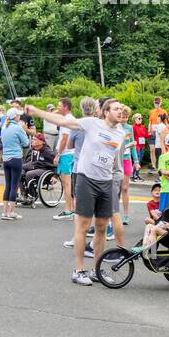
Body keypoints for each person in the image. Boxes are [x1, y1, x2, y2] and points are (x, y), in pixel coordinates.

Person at [25, 97, 127, 286]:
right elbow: (62, 121)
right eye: (116, 109)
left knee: (102, 227)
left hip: (106, 182)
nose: (120, 112)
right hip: (86, 180)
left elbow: (111, 158)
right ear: (106, 112)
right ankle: (78, 270)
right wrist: (36, 111)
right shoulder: (91, 124)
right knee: (83, 225)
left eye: (121, 109)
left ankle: (96, 269)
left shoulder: (120, 133)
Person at [137, 192, 169, 259]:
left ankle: (153, 254)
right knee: (149, 226)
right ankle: (144, 246)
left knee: (154, 229)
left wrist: (167, 225)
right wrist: (167, 224)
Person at [0, 108, 30, 221]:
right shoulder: (18, 128)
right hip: (16, 158)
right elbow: (26, 143)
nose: (19, 117)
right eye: (18, 115)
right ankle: (11, 211)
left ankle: (4, 212)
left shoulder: (4, 127)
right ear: (15, 117)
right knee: (14, 185)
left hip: (6, 159)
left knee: (7, 185)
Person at [51, 98, 77, 222]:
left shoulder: (67, 120)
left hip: (66, 154)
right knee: (70, 184)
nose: (58, 107)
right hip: (71, 154)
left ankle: (68, 210)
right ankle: (72, 210)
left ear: (66, 106)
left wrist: (58, 154)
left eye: (60, 105)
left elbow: (64, 138)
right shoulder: (70, 118)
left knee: (67, 184)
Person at [130, 113, 148, 181]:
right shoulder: (133, 127)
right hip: (136, 146)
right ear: (135, 119)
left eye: (141, 118)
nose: (141, 120)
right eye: (139, 118)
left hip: (142, 147)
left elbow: (146, 135)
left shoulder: (143, 127)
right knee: (136, 160)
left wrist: (152, 133)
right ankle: (132, 175)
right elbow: (131, 137)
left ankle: (136, 175)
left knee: (139, 161)